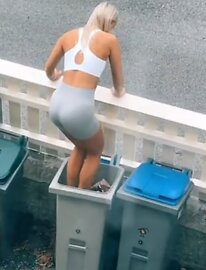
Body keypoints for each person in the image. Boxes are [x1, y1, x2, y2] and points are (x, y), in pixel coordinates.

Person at [45, 2, 125, 189]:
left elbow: (48, 68)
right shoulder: (109, 40)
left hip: (57, 105)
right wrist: (117, 92)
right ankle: (81, 198)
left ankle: (70, 194)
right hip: (79, 109)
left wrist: (55, 75)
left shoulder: (69, 35)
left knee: (82, 147)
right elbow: (118, 82)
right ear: (111, 22)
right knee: (95, 151)